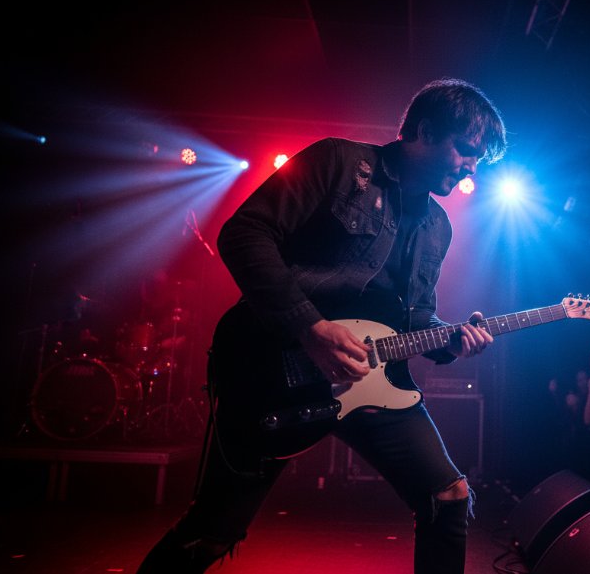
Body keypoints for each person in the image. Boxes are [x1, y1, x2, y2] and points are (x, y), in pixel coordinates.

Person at [136, 78, 507, 574]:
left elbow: (415, 316)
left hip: (372, 382)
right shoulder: (338, 162)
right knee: (214, 528)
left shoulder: (437, 226)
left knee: (448, 495)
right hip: (271, 365)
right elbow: (245, 234)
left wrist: (452, 339)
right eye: (466, 150)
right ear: (425, 129)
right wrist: (310, 327)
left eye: (480, 159)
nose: (471, 167)